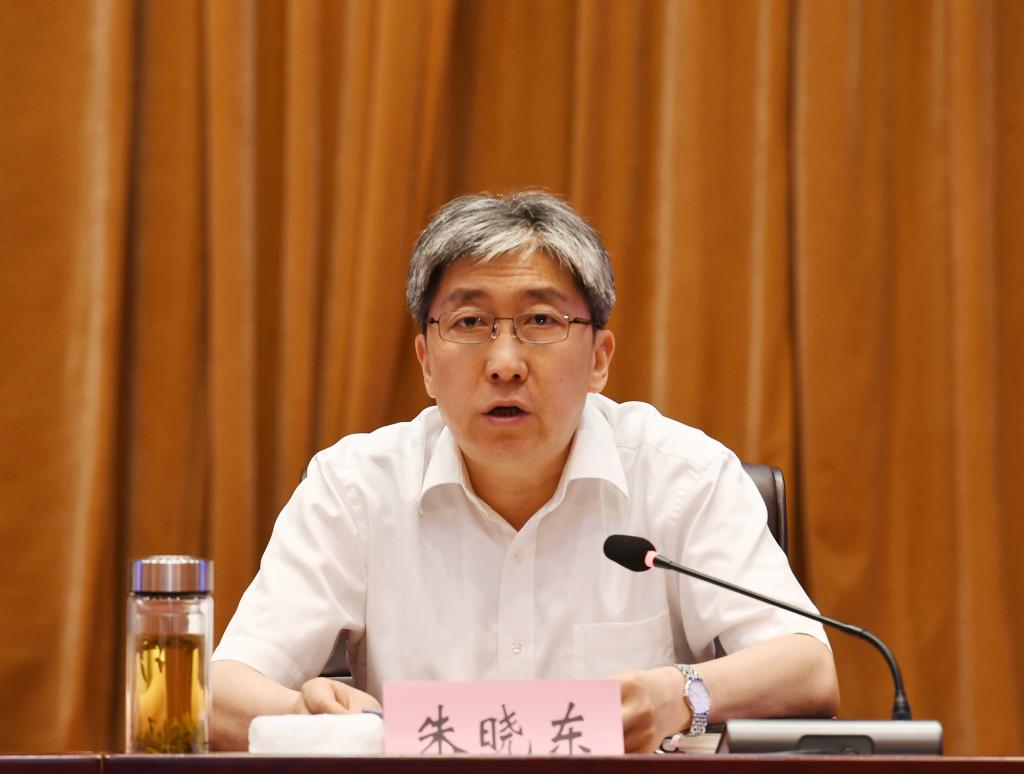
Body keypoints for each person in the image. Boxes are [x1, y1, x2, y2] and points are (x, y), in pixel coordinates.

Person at [210, 190, 839, 752]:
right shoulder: (354, 488)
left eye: (541, 321)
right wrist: (306, 719)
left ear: (599, 359)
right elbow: (219, 693)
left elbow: (809, 670)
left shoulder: (685, 477)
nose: (505, 363)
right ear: (426, 362)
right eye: (470, 323)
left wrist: (683, 694)